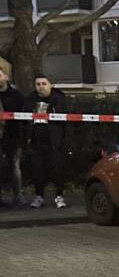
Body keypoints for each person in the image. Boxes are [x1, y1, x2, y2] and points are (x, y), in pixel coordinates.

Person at [25, 74, 70, 209]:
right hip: (36, 141)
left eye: (44, 84)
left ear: (50, 85)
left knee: (57, 169)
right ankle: (39, 196)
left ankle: (59, 196)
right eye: (38, 84)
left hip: (54, 142)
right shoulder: (30, 99)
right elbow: (24, 119)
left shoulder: (59, 99)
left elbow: (65, 122)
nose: (41, 87)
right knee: (37, 170)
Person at [0, 60, 27, 207]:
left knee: (14, 166)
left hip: (13, 136)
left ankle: (18, 195)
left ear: (6, 77)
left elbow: (22, 117)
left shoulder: (16, 96)